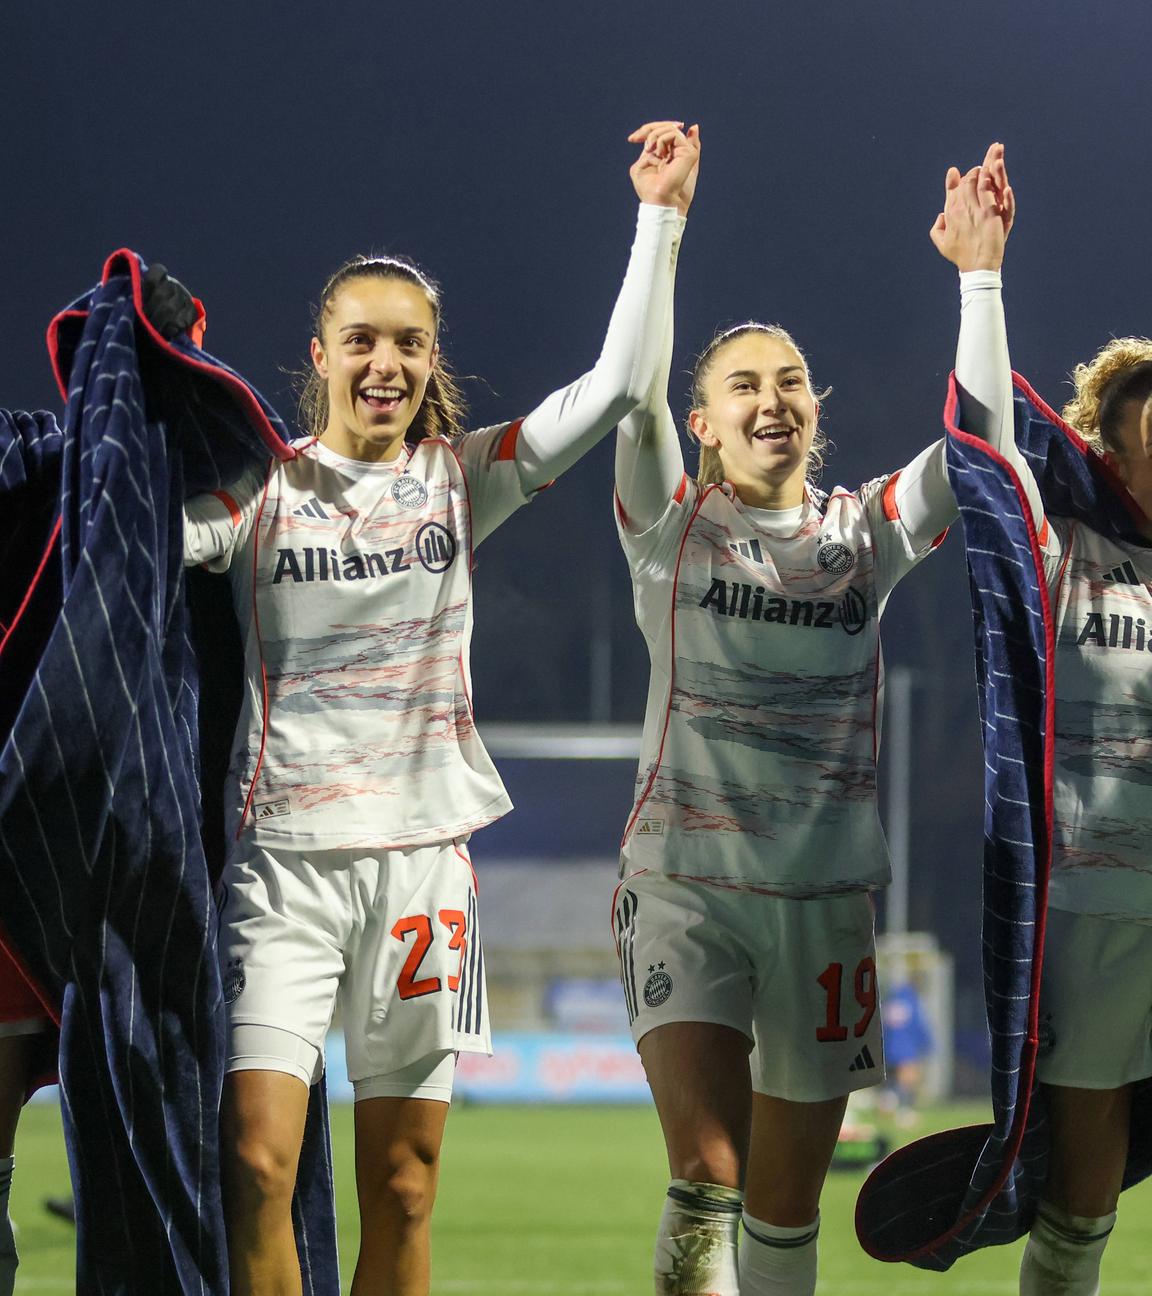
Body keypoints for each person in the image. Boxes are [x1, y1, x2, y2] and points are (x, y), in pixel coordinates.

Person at [181, 122, 700, 1296]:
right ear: (319, 353)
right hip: (281, 871)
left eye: (408, 344)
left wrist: (658, 218)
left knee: (405, 1190)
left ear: (429, 359)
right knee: (256, 1166)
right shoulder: (256, 490)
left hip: (423, 872)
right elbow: (127, 550)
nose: (386, 362)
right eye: (360, 339)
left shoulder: (461, 479)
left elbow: (621, 387)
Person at [609, 160, 984, 1293]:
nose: (772, 398)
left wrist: (981, 280)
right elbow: (628, 383)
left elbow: (980, 448)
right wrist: (660, 220)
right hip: (687, 888)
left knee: (782, 1212)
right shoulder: (671, 526)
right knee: (707, 1172)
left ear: (814, 407)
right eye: (743, 386)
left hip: (823, 907)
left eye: (792, 380)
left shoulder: (861, 533)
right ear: (702, 422)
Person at [934, 144, 1152, 1296]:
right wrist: (982, 276)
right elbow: (984, 439)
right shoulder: (1070, 551)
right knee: (1083, 1197)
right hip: (1100, 908)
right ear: (1115, 454)